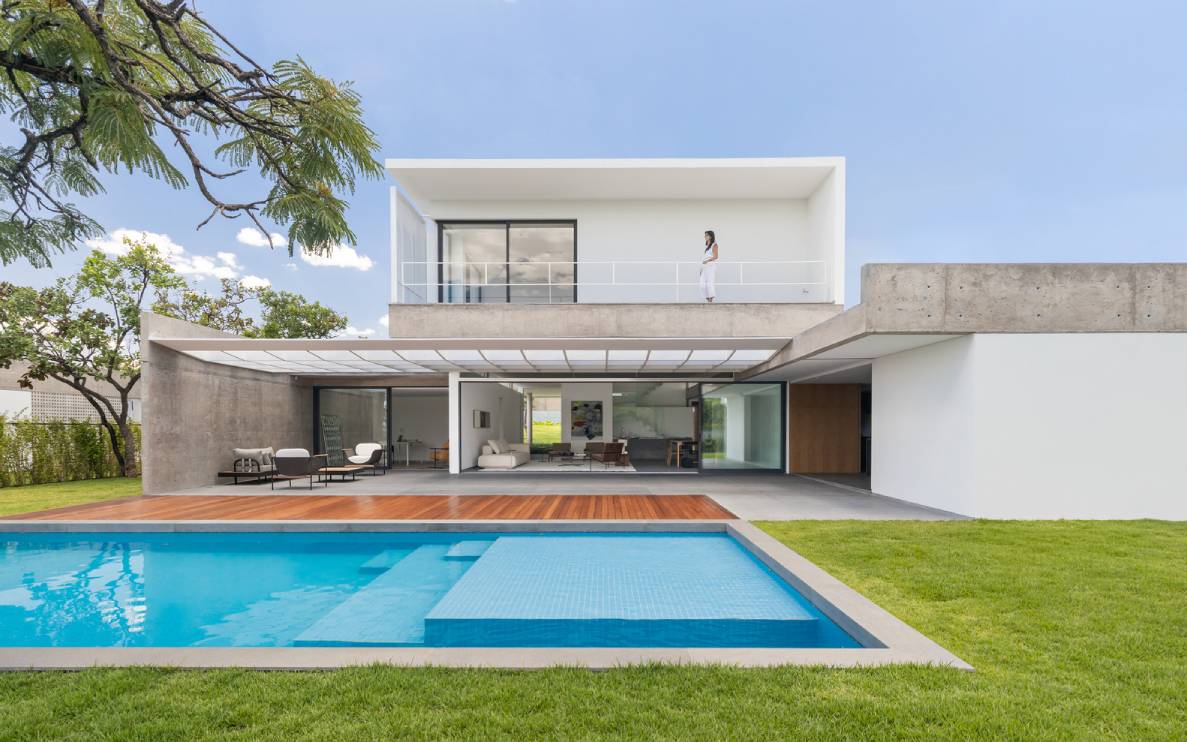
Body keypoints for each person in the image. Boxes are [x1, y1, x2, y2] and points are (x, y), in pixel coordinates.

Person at [700, 230, 719, 302]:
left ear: (710, 236)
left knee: (710, 282)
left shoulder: (715, 245)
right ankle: (707, 298)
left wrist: (707, 261)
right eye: (705, 235)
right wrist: (701, 268)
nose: (705, 237)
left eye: (706, 235)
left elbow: (716, 256)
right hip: (704, 266)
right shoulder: (706, 246)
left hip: (711, 265)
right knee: (702, 284)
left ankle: (711, 298)